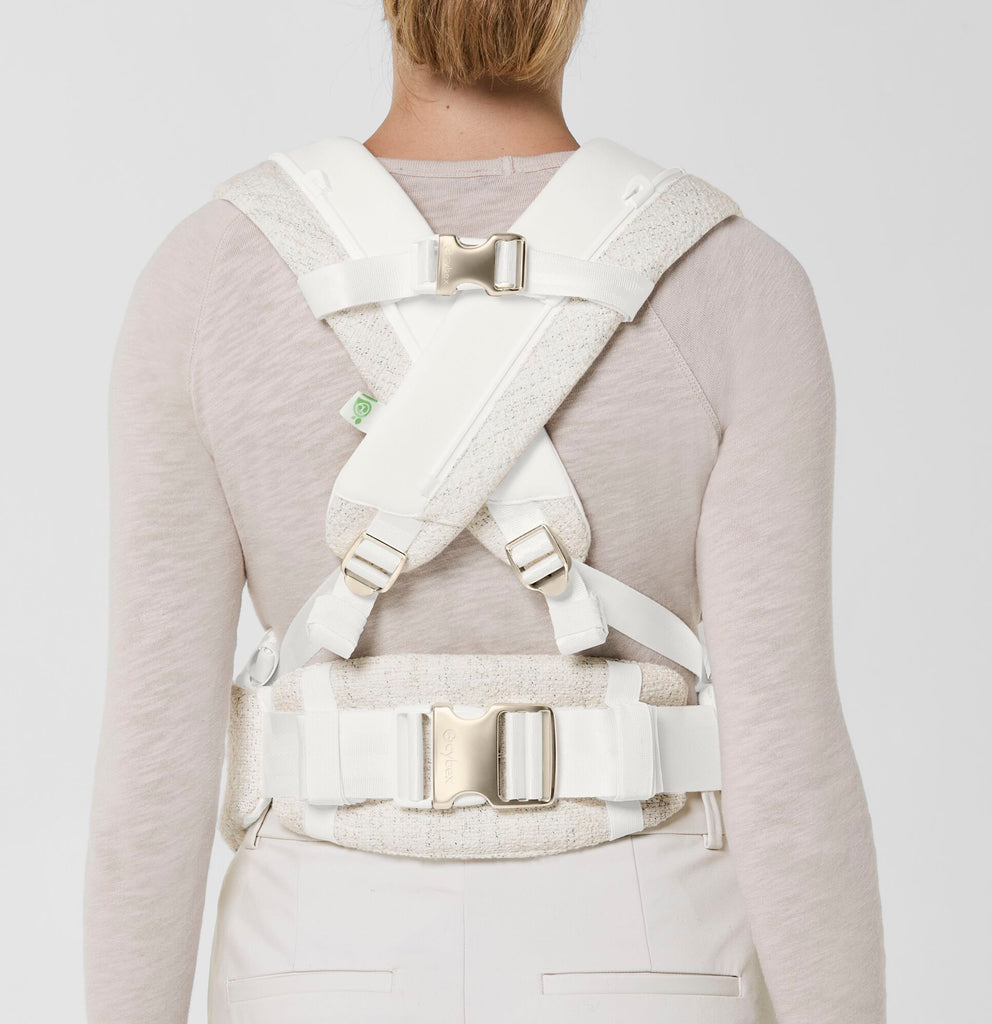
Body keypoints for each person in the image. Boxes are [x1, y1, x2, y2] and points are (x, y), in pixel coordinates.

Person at [83, 1, 886, 1021]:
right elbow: (789, 768)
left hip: (315, 955)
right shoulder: (734, 282)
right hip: (645, 949)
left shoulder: (205, 281)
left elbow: (151, 776)